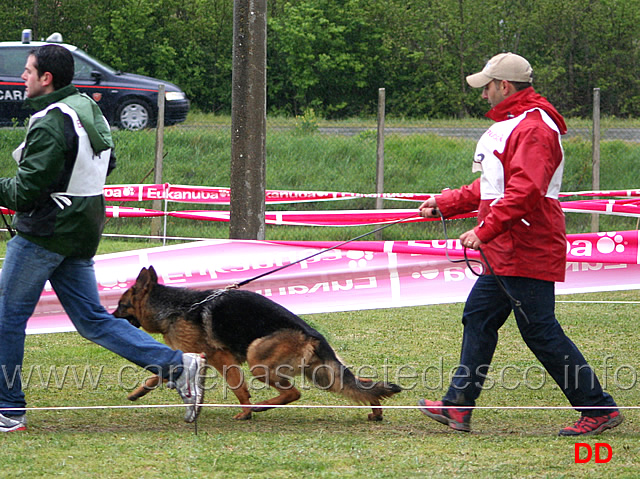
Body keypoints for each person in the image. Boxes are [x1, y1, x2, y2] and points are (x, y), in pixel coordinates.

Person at [0, 44, 205, 433]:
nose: (22, 77)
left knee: (6, 320)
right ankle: (178, 365)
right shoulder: (86, 107)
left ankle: (9, 410)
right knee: (93, 320)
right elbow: (106, 162)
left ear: (47, 78)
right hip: (83, 228)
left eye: (28, 71)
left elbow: (25, 194)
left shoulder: (48, 121)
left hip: (46, 232)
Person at [417, 52, 623, 436]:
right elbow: (491, 186)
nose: (484, 96)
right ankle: (457, 406)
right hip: (508, 245)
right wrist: (446, 203)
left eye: (487, 87)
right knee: (479, 316)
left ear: (504, 86)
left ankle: (598, 409)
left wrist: (485, 229)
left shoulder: (534, 128)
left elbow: (526, 190)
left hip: (526, 242)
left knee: (540, 330)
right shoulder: (516, 125)